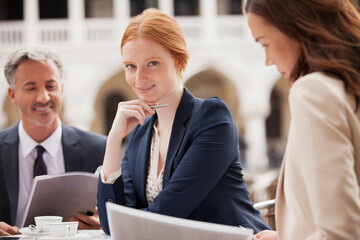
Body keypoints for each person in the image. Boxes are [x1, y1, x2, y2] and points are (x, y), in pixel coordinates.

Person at [97, 8, 270, 235]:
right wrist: (113, 140)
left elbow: (166, 215)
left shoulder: (211, 118)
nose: (139, 78)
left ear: (179, 61)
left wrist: (127, 221)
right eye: (131, 66)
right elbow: (113, 225)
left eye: (152, 63)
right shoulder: (140, 132)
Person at [245, 0, 360, 239]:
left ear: (294, 26)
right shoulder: (347, 83)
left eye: (265, 43)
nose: (268, 60)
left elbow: (341, 232)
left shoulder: (313, 91)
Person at [0, 46, 107, 236]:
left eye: (51, 86)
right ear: (13, 95)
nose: (43, 97)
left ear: (62, 89)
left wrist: (103, 224)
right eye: (31, 88)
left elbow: (122, 214)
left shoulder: (99, 149)